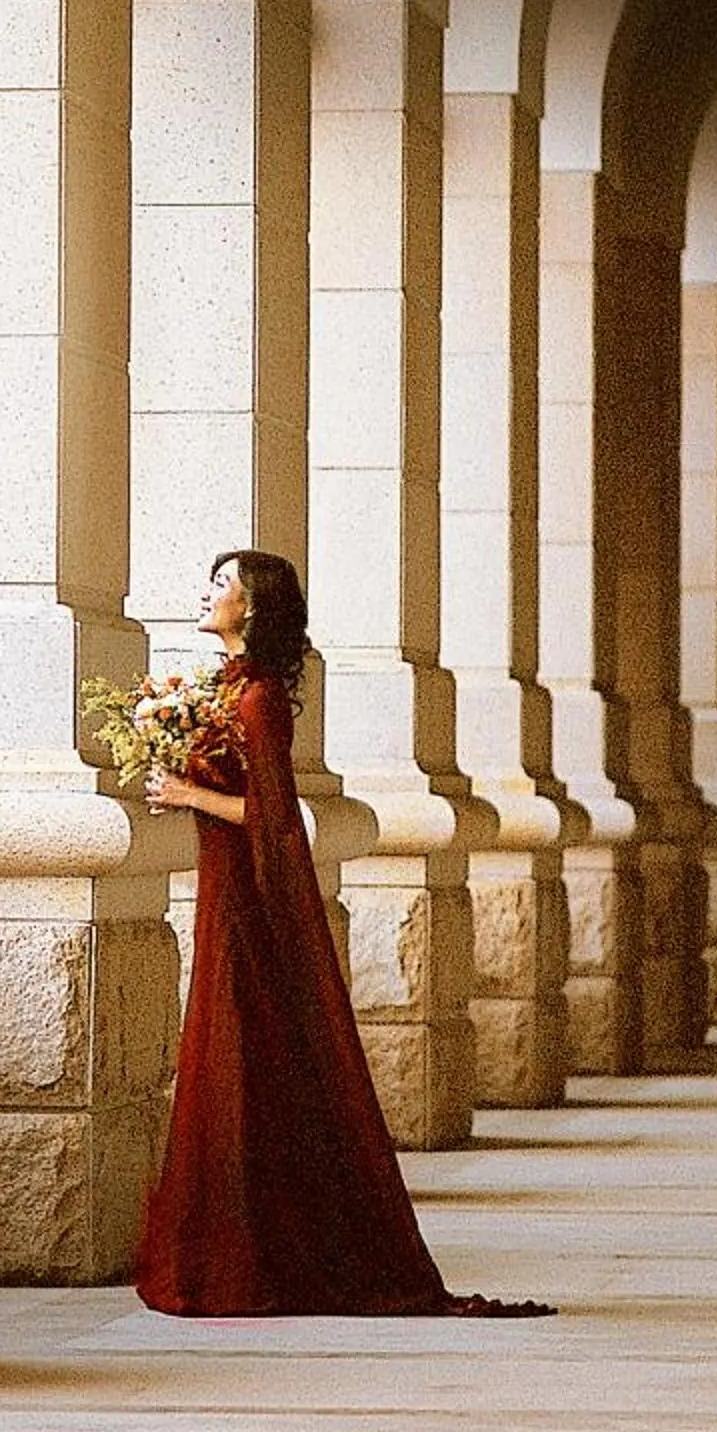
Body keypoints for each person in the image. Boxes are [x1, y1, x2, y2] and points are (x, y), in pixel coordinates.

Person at [135, 549, 550, 1319]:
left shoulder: (257, 699)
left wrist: (189, 790)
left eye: (222, 583)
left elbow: (277, 819)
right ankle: (250, 1245)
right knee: (239, 1067)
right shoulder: (227, 689)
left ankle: (259, 1257)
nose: (207, 590)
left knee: (245, 1062)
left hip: (249, 908)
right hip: (225, 895)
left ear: (253, 609)